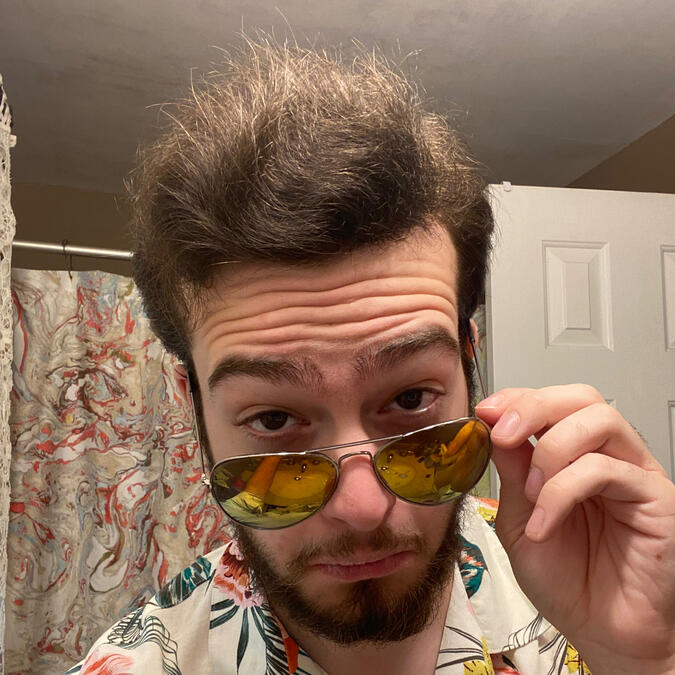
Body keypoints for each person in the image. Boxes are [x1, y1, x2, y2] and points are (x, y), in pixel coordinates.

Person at [70, 42, 675, 675]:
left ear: (470, 366)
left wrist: (645, 659)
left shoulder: (590, 582)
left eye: (410, 399)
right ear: (192, 405)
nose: (361, 508)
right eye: (274, 419)